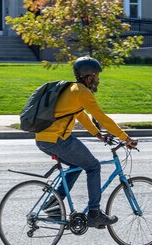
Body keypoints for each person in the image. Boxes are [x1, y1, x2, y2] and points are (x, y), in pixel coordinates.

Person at [35, 56, 138, 228]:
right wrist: (126, 138)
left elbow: (80, 116)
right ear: (89, 77)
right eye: (97, 76)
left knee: (76, 167)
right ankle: (94, 213)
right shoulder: (82, 92)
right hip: (57, 139)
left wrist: (98, 135)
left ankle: (53, 204)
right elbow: (102, 118)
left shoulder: (71, 89)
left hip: (43, 138)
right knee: (93, 166)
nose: (98, 79)